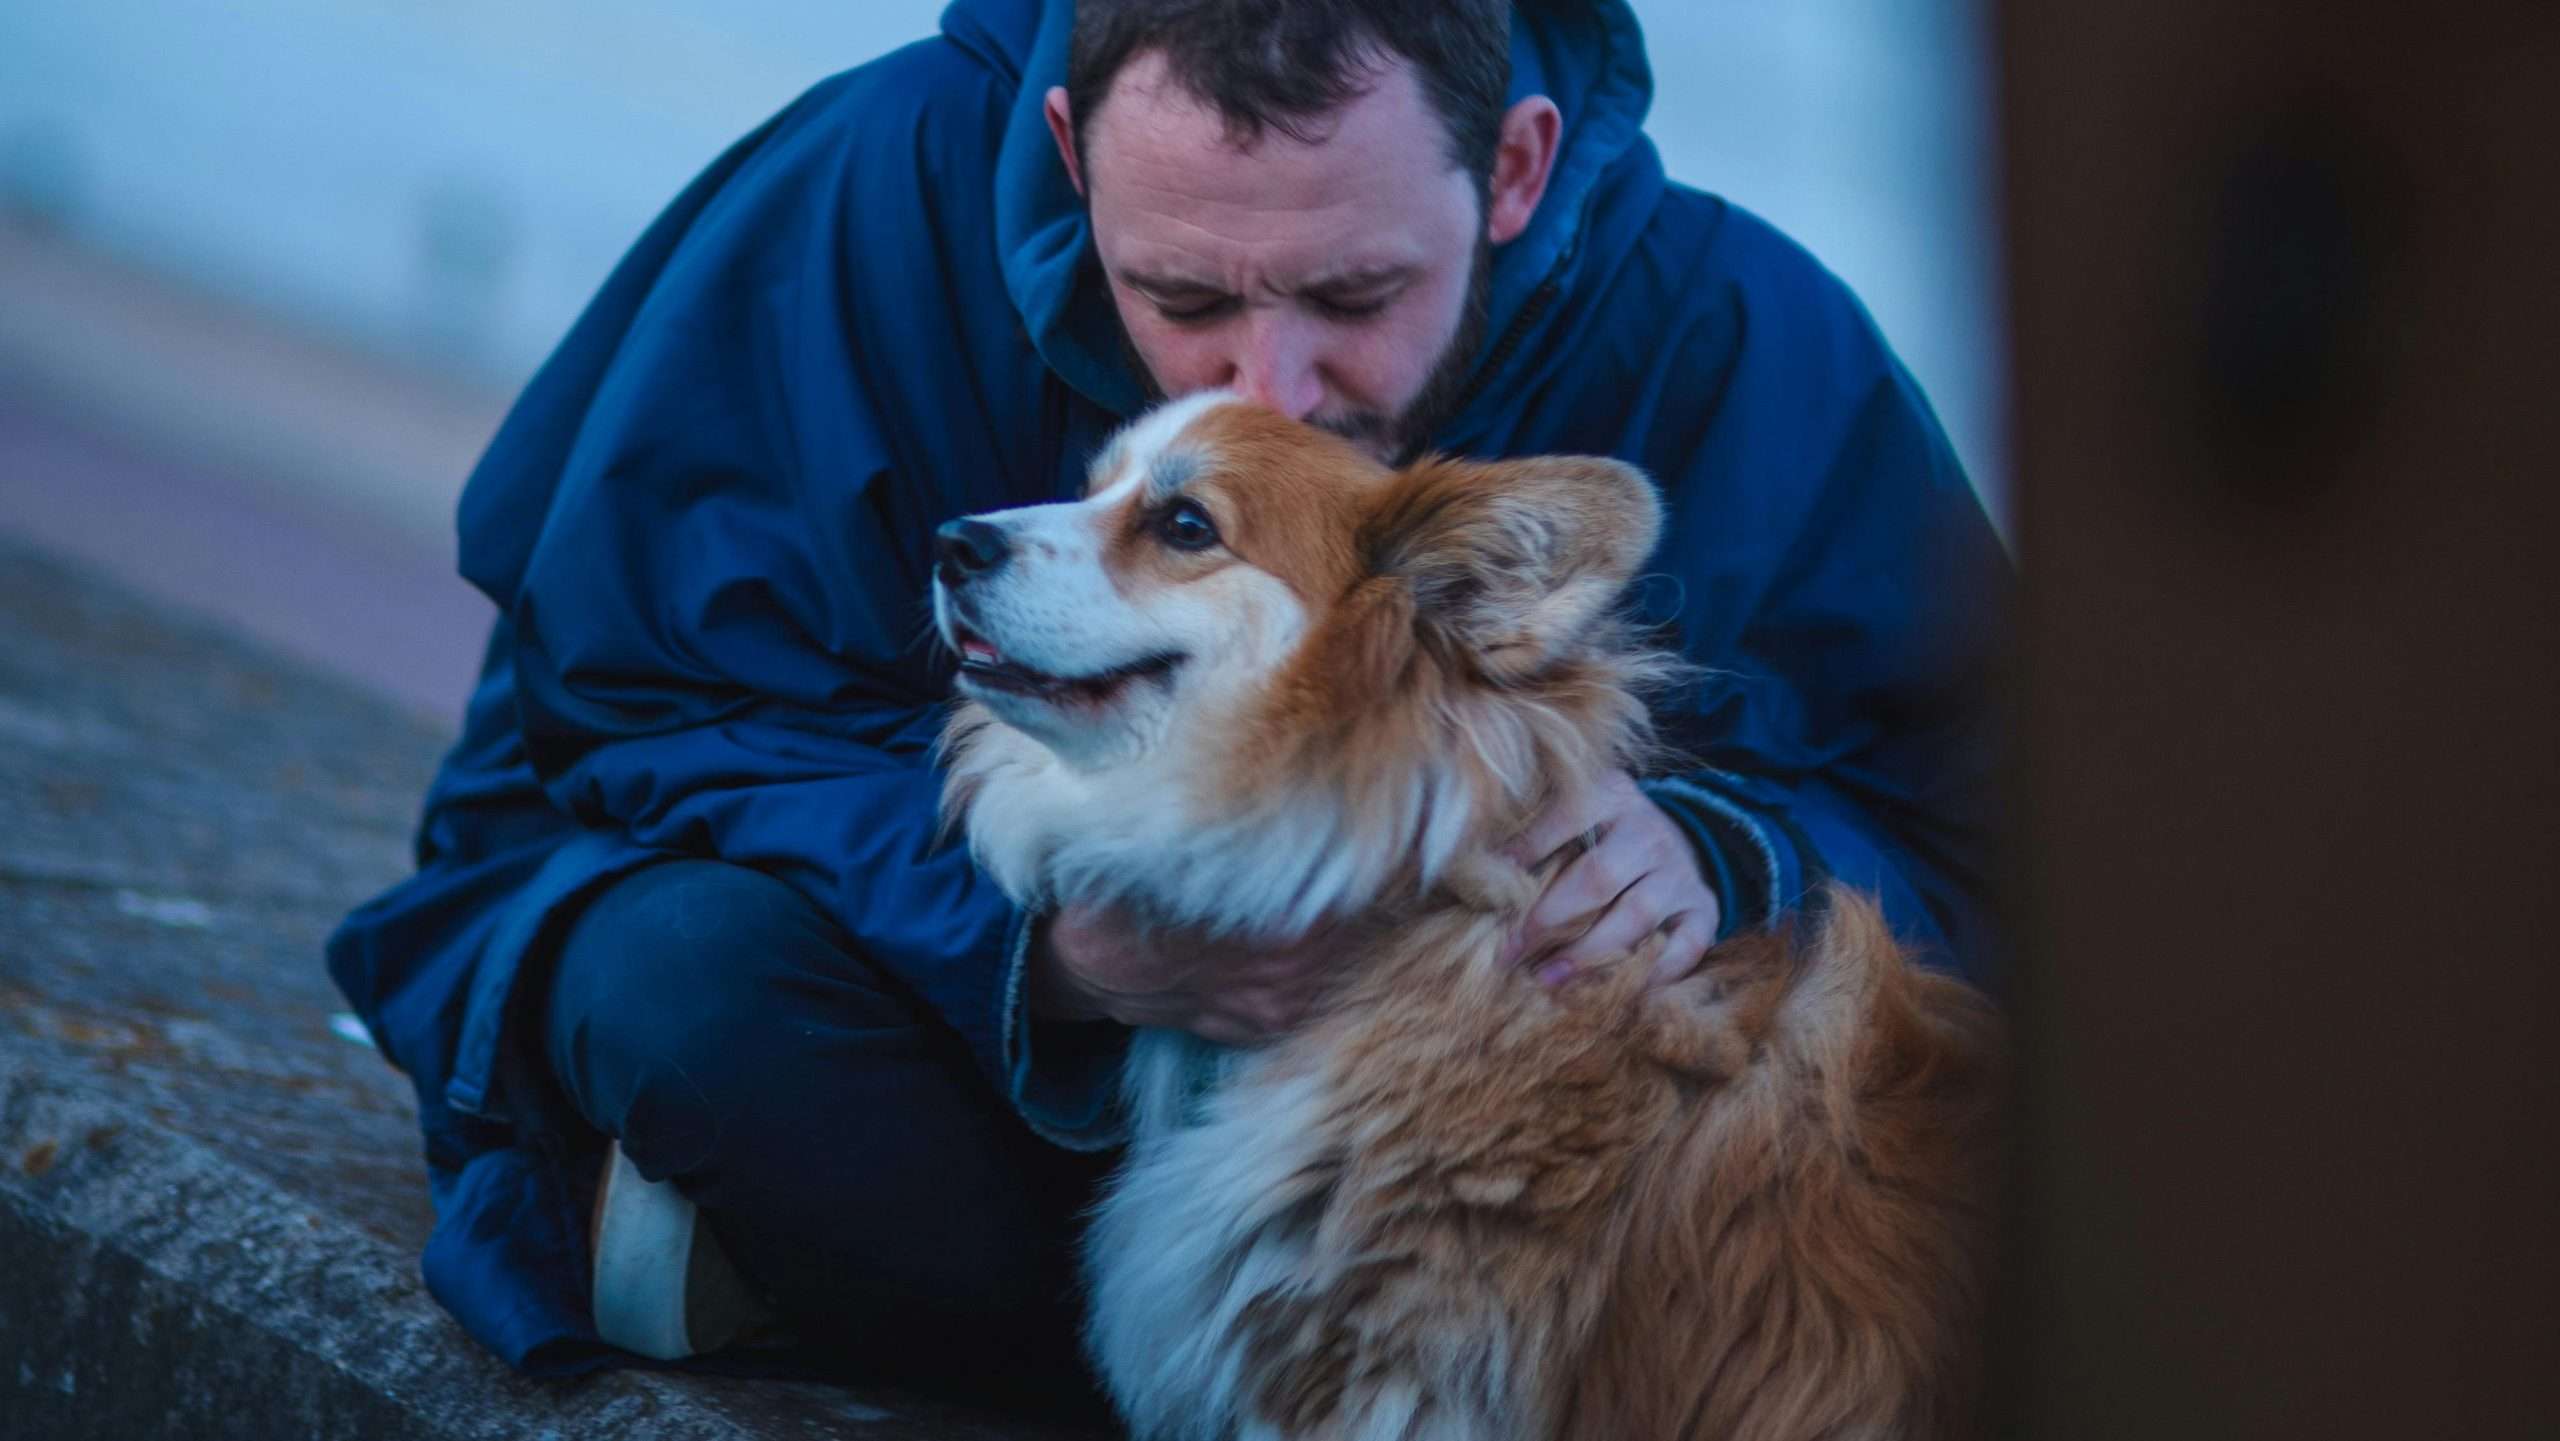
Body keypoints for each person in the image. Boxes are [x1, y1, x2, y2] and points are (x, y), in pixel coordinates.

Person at [326, 0, 2008, 1415]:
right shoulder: (872, 190)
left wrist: (1733, 848)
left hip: (1451, 1181)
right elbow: (639, 708)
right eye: (1185, 300)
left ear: (1515, 168)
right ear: (1072, 152)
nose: (1271, 394)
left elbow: (2025, 848)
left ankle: (874, 1293)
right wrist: (1060, 959)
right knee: (679, 986)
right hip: (947, 1034)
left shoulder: (1743, 330)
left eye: (1355, 297)